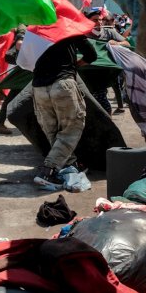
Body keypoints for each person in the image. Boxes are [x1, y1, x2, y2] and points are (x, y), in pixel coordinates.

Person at [32, 34, 97, 186]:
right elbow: (91, 54)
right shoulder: (70, 28)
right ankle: (48, 171)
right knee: (71, 129)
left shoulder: (35, 28)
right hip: (63, 85)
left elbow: (22, 58)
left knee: (52, 131)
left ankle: (70, 165)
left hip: (39, 88)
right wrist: (75, 65)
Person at [86, 11, 129, 115]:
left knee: (105, 97)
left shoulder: (110, 32)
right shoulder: (84, 34)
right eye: (95, 20)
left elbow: (127, 43)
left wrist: (116, 43)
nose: (99, 22)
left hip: (106, 71)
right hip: (88, 73)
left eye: (100, 19)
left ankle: (112, 115)